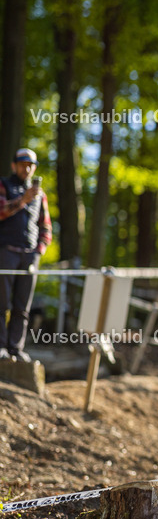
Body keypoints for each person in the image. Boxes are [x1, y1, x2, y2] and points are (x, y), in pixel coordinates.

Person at [0, 148, 52, 362]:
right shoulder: (4, 185)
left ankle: (16, 348)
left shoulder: (41, 195)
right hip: (6, 252)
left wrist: (38, 252)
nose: (26, 168)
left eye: (30, 165)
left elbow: (46, 228)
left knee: (23, 307)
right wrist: (22, 200)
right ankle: (0, 348)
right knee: (1, 304)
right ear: (14, 165)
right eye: (22, 164)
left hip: (29, 256)